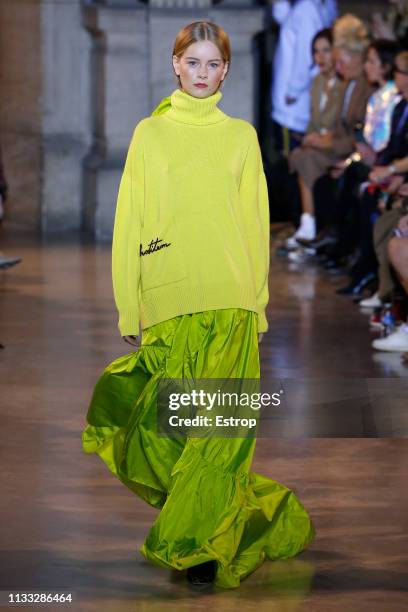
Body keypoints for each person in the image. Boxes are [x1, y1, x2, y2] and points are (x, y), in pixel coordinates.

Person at [81, 20, 315, 589]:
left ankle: (196, 545)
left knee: (221, 435)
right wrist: (127, 306)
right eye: (194, 63)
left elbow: (256, 222)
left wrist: (257, 302)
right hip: (167, 299)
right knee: (164, 432)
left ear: (226, 71)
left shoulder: (241, 136)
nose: (203, 74)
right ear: (175, 65)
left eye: (214, 65)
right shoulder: (148, 134)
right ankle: (252, 513)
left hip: (230, 301)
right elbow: (130, 221)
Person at [287, 27, 343, 248]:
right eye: (316, 51)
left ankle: (309, 224)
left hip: (337, 145)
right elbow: (313, 121)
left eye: (326, 50)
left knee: (304, 157)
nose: (320, 57)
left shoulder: (345, 84)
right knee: (299, 154)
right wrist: (311, 136)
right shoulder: (317, 82)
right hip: (318, 144)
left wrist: (320, 138)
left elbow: (343, 125)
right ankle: (307, 222)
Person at [269, 0, 338, 156]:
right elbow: (287, 22)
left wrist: (293, 91)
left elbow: (307, 56)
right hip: (293, 104)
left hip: (293, 107)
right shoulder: (307, 7)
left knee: (291, 162)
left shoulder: (307, 9)